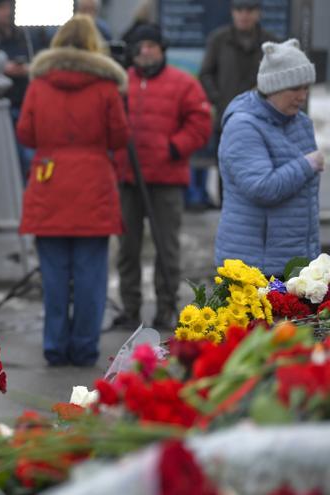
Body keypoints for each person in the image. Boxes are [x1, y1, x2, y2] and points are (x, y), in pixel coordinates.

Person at [17, 15, 129, 367]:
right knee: (90, 279)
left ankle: (54, 346)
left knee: (53, 278)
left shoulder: (38, 84)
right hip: (94, 185)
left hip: (49, 185)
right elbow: (119, 137)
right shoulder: (106, 86)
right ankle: (83, 349)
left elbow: (26, 134)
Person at [112, 24, 211, 330]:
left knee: (166, 248)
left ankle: (166, 308)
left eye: (152, 45)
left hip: (166, 178)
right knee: (127, 248)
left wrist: (173, 147)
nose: (145, 51)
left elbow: (200, 122)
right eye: (140, 45)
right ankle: (130, 309)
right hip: (128, 178)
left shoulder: (183, 83)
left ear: (162, 49)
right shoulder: (121, 82)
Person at [215, 40, 321, 277]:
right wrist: (308, 164)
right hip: (255, 266)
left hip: (297, 263)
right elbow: (262, 188)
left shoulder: (301, 122)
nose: (303, 96)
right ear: (273, 87)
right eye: (296, 88)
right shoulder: (242, 126)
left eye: (306, 88)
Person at [197, 0, 277, 209]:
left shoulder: (270, 42)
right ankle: (229, 214)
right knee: (227, 170)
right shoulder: (219, 39)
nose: (244, 15)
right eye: (239, 10)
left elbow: (280, 78)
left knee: (261, 169)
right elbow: (205, 73)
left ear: (258, 13)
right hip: (227, 118)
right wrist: (218, 98)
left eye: (249, 10)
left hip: (263, 119)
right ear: (232, 13)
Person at [0, 0, 46, 183]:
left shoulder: (26, 37)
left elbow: (39, 65)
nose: (7, 12)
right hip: (3, 105)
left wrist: (27, 69)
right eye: (3, 8)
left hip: (23, 103)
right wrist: (1, 68)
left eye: (10, 7)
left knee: (29, 158)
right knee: (10, 158)